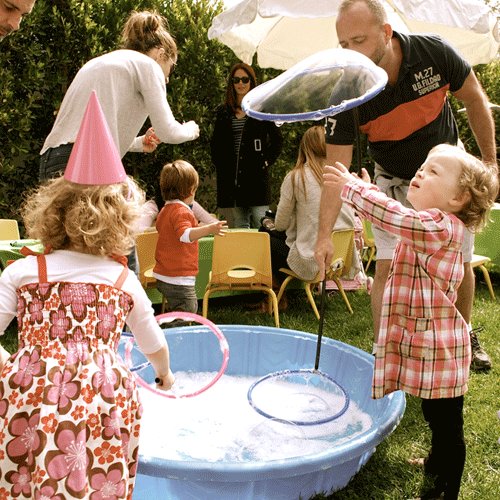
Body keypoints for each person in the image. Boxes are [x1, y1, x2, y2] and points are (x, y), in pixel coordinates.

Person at [0, 92, 175, 498]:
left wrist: (13, 365)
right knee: (97, 473)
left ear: (52, 212)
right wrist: (165, 374)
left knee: (27, 473)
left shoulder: (25, 271)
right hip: (105, 395)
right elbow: (154, 343)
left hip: (32, 392)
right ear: (121, 222)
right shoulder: (121, 280)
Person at [314, 0, 497, 369]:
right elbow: (336, 172)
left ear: (386, 33)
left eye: (359, 40)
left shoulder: (434, 53)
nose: (351, 53)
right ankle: (387, 349)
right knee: (386, 265)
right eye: (343, 44)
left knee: (459, 264)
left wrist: (490, 163)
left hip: (449, 180)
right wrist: (323, 236)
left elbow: (476, 100)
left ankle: (462, 338)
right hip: (394, 181)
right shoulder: (346, 94)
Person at [324, 144, 499, 500]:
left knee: (449, 426)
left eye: (434, 171)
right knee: (437, 417)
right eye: (423, 164)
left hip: (443, 353)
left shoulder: (443, 228)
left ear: (459, 198)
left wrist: (355, 189)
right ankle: (437, 463)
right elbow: (393, 216)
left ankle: (445, 489)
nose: (420, 172)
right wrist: (369, 191)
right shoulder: (427, 225)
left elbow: (396, 218)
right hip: (433, 348)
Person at [39, 9, 199, 181]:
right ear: (160, 53)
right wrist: (191, 129)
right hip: (87, 161)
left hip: (52, 158)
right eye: (171, 68)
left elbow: (93, 129)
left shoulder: (102, 62)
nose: (166, 79)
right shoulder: (148, 65)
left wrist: (139, 144)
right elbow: (167, 131)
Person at [270, 125, 362, 289]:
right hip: (340, 257)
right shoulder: (342, 177)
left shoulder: (296, 177)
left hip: (313, 259)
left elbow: (280, 225)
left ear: (304, 148)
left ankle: (277, 295)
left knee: (266, 239)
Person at [210, 62, 283, 228]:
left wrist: (266, 161)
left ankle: (263, 255)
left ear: (251, 81)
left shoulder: (261, 109)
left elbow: (278, 140)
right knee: (241, 226)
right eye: (236, 80)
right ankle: (245, 255)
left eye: (245, 79)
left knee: (261, 223)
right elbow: (215, 143)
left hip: (256, 179)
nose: (241, 83)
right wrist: (221, 165)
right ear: (231, 83)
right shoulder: (224, 112)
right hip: (234, 180)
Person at [153, 160, 228, 314]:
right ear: (191, 190)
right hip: (178, 277)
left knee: (176, 310)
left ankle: (168, 333)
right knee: (187, 310)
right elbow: (185, 235)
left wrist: (198, 228)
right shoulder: (182, 211)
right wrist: (208, 229)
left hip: (163, 274)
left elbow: (173, 232)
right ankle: (172, 337)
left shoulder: (165, 210)